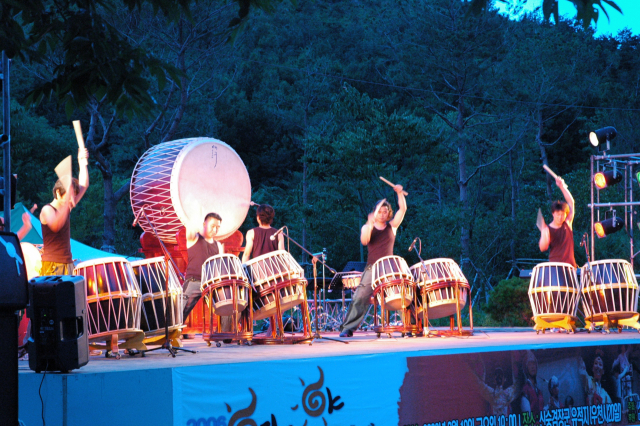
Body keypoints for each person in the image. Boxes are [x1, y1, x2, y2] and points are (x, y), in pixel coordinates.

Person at [339, 184, 406, 338]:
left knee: (400, 293)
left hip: (389, 267)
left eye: (385, 212)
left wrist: (400, 193)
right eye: (379, 211)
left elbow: (402, 210)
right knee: (361, 296)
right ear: (374, 213)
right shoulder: (367, 227)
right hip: (373, 268)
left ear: (388, 214)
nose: (382, 214)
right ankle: (348, 328)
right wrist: (369, 224)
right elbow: (364, 240)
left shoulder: (392, 226)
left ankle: (410, 325)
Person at [39, 149, 89, 275]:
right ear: (57, 193)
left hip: (68, 264)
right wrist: (68, 202)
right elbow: (55, 225)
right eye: (69, 195)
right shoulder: (47, 210)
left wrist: (82, 163)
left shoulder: (67, 206)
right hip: (52, 266)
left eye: (73, 196)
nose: (72, 200)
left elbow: (84, 185)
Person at [182, 212, 225, 321]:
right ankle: (172, 335)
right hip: (194, 281)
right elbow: (189, 224)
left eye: (218, 227)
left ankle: (226, 335)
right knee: (180, 311)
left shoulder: (218, 245)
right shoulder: (194, 238)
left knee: (226, 305)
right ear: (204, 224)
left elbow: (219, 268)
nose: (215, 230)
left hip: (211, 284)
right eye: (213, 226)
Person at [538, 175, 576, 268]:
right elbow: (542, 248)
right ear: (553, 214)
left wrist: (562, 187)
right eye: (558, 214)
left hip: (570, 267)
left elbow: (571, 202)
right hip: (555, 268)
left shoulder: (567, 223)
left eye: (563, 214)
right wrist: (543, 232)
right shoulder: (548, 229)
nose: (560, 217)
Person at [520, 350, 544, 415]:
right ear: (526, 368)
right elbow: (527, 417)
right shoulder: (525, 391)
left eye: (534, 364)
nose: (532, 367)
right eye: (530, 364)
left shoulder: (539, 391)